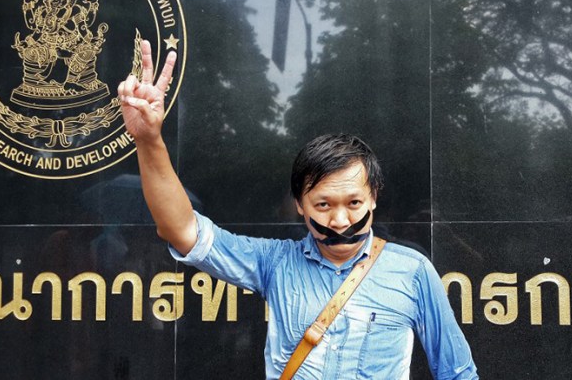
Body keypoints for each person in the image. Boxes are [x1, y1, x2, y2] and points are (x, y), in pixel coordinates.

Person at [118, 41, 478, 379]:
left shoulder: (412, 272)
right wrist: (149, 140)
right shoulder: (276, 262)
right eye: (323, 205)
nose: (340, 221)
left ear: (374, 198)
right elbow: (182, 230)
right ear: (299, 206)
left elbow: (458, 372)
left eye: (353, 203)